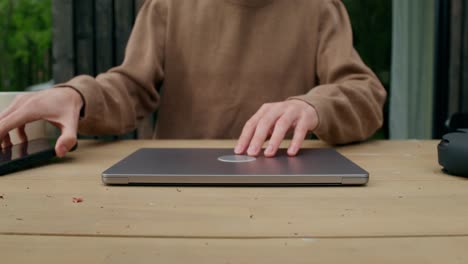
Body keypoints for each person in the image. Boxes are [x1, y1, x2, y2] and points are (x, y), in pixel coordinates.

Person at [0, 0, 386, 158]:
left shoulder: (318, 7)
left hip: (285, 188)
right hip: (175, 186)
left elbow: (363, 91)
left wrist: (311, 106)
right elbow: (130, 87)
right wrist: (76, 95)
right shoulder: (169, 5)